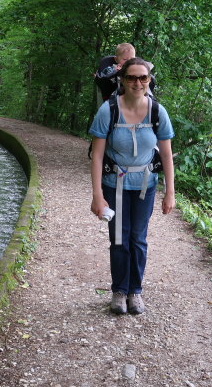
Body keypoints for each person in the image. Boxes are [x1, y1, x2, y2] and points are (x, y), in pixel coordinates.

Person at [89, 57, 175, 315]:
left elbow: (167, 154)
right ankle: (119, 290)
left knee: (138, 239)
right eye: (131, 77)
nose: (137, 82)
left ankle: (135, 291)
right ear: (122, 80)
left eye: (143, 78)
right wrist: (96, 196)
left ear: (149, 80)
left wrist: (170, 192)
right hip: (113, 184)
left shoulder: (158, 111)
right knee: (119, 240)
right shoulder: (109, 110)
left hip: (145, 186)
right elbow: (97, 155)